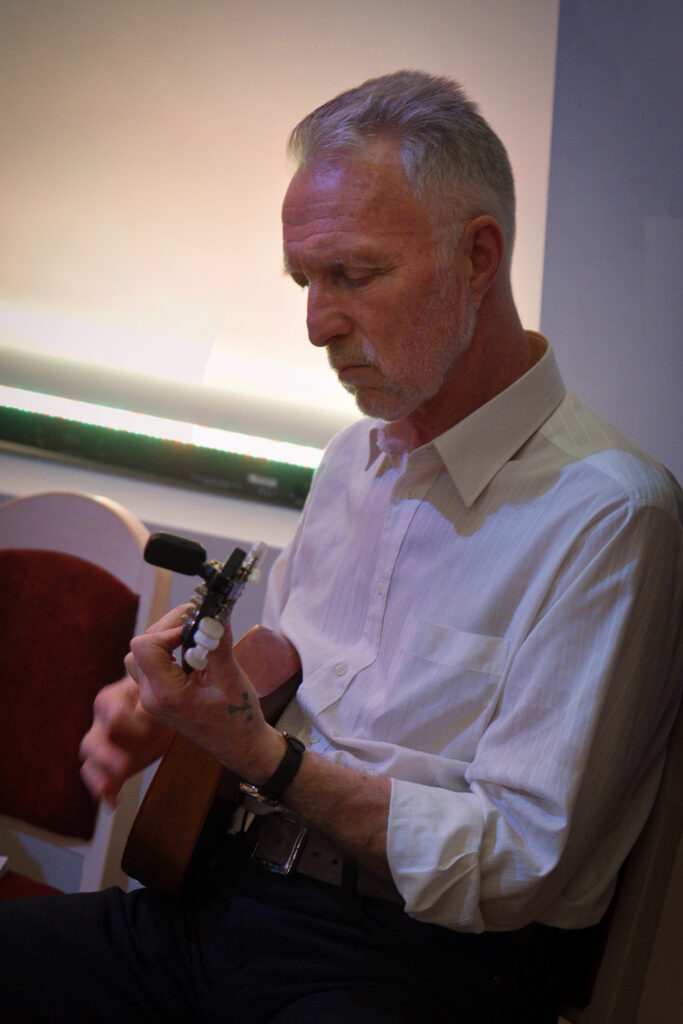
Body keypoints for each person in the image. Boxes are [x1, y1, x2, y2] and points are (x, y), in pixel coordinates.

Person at [2, 70, 681, 1024]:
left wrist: (265, 757)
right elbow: (293, 658)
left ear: (477, 256)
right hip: (221, 901)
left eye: (353, 276)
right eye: (305, 282)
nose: (317, 324)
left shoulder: (608, 515)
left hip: (411, 965)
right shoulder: (350, 459)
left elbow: (519, 862)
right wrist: (183, 708)